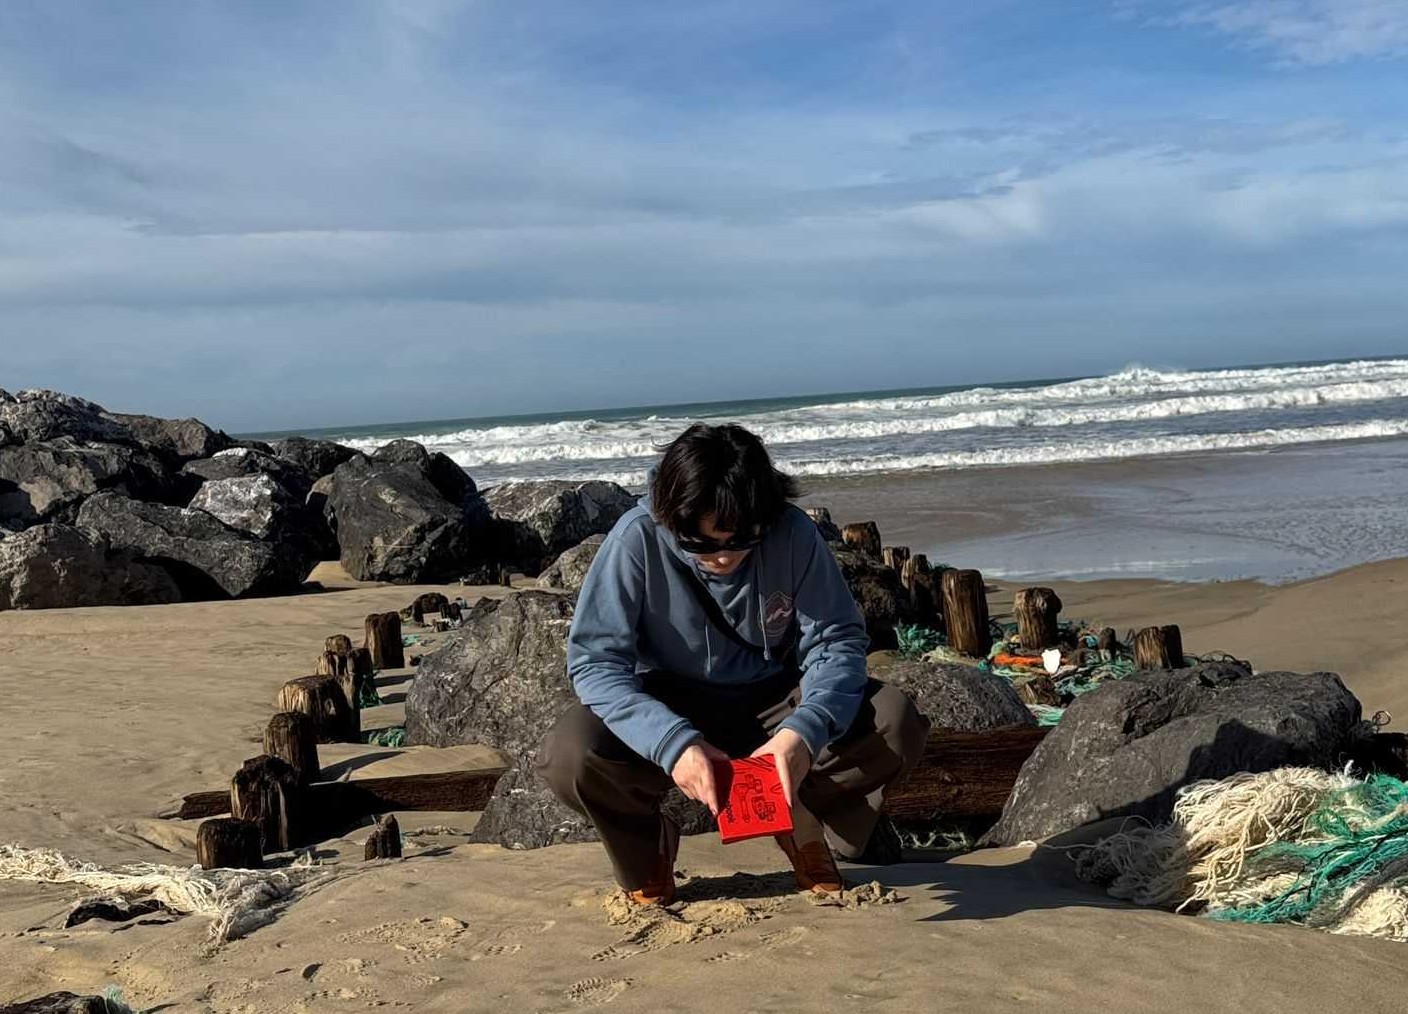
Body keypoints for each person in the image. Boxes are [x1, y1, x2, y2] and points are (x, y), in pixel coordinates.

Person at [538, 423, 929, 904]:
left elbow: (837, 642)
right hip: (672, 699)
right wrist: (672, 743)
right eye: (700, 544)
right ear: (671, 518)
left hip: (776, 698)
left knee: (896, 721)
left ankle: (801, 818)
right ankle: (648, 848)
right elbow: (595, 664)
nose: (722, 558)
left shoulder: (792, 533)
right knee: (569, 754)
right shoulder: (635, 540)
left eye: (740, 541)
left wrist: (803, 734)